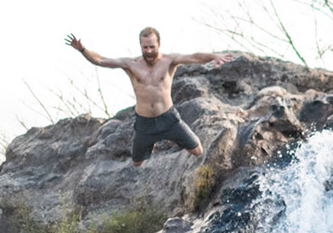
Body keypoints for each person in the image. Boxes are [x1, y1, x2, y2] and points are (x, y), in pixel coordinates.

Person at [65, 27, 234, 165]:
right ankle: (152, 145)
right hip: (144, 122)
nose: (149, 51)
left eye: (152, 47)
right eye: (145, 47)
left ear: (158, 44)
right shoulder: (131, 64)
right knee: (137, 163)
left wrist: (214, 56)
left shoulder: (169, 60)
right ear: (140, 46)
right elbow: (101, 60)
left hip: (169, 119)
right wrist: (82, 50)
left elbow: (194, 57)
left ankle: (173, 152)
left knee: (198, 151)